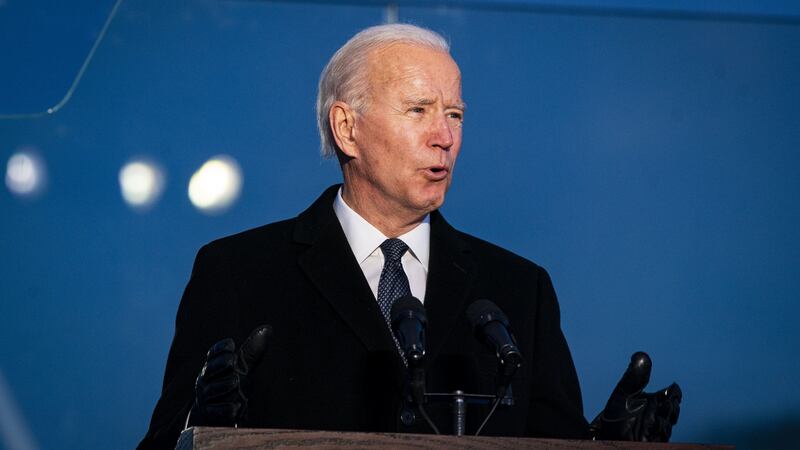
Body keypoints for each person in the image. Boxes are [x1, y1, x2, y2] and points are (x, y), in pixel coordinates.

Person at [138, 24, 679, 449]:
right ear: (347, 127)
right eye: (418, 110)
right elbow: (161, 442)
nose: (444, 137)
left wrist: (605, 445)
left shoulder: (519, 290)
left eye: (455, 114)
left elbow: (551, 443)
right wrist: (199, 432)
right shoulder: (238, 272)